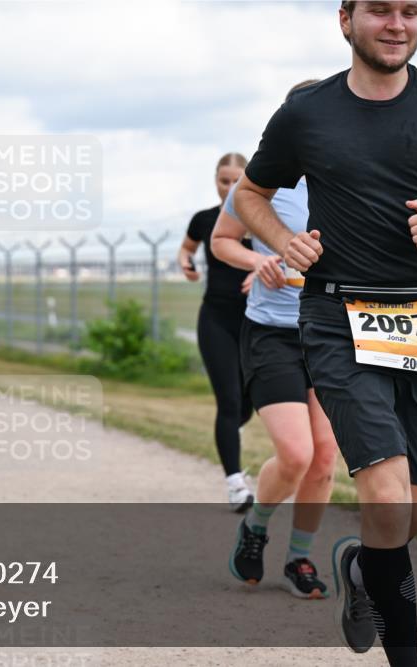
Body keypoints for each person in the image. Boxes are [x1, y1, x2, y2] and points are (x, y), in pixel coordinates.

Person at [234, 2, 417, 663]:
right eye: (379, 10)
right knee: (382, 488)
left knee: (405, 519)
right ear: (346, 20)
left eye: (410, 11)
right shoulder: (308, 112)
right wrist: (284, 242)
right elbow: (251, 194)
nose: (396, 24)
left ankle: (362, 565)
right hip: (335, 317)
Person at [213, 80, 338, 600]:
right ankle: (257, 525)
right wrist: (258, 258)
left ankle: (300, 558)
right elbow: (222, 242)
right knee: (294, 453)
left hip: (332, 335)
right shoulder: (261, 183)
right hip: (274, 335)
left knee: (326, 457)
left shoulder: (352, 181)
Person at [177, 153, 255, 512]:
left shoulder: (263, 219)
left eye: (236, 179)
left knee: (246, 407)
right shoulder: (205, 220)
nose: (229, 186)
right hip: (216, 320)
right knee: (229, 401)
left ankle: (230, 436)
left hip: (257, 324)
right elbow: (187, 248)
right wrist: (186, 264)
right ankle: (235, 484)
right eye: (224, 180)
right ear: (215, 181)